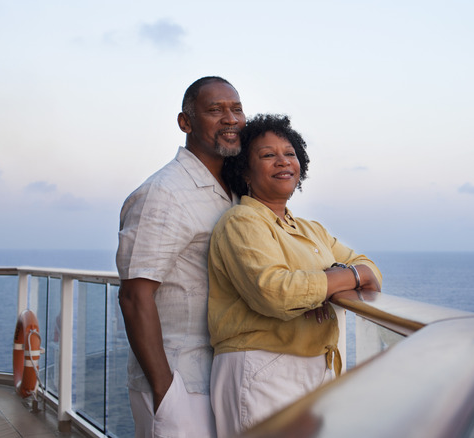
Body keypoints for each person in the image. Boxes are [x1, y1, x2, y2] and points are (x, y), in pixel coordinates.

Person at [207, 114, 383, 434]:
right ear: (244, 170)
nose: (283, 161)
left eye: (289, 153)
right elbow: (277, 293)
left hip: (317, 365)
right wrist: (342, 278)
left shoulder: (310, 230)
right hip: (262, 368)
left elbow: (370, 270)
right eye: (267, 155)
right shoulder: (241, 222)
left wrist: (329, 283)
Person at [116, 76, 243, 437]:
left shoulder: (234, 191)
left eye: (236, 109)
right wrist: (164, 389)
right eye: (215, 110)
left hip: (217, 377)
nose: (230, 118)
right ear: (185, 123)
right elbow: (133, 295)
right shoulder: (163, 192)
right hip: (177, 381)